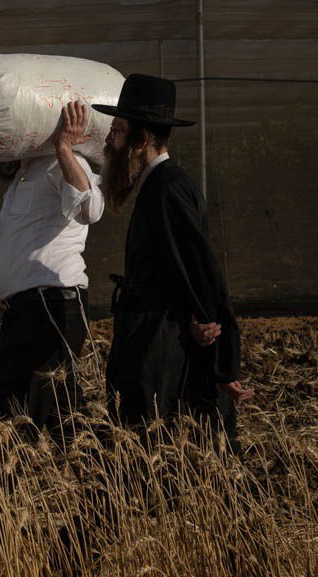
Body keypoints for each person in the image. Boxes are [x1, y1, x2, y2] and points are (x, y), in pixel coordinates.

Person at [92, 73, 253, 448]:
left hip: (159, 343)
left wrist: (222, 353)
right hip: (150, 334)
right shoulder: (157, 185)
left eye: (117, 130)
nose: (108, 141)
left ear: (141, 140)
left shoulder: (168, 189)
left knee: (153, 439)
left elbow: (201, 269)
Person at [0, 101, 104, 438]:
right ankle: (13, 483)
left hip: (55, 304)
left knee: (56, 405)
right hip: (24, 308)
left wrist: (64, 146)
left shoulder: (67, 165)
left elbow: (90, 209)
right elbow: (26, 247)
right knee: (8, 407)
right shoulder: (22, 177)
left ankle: (89, 476)